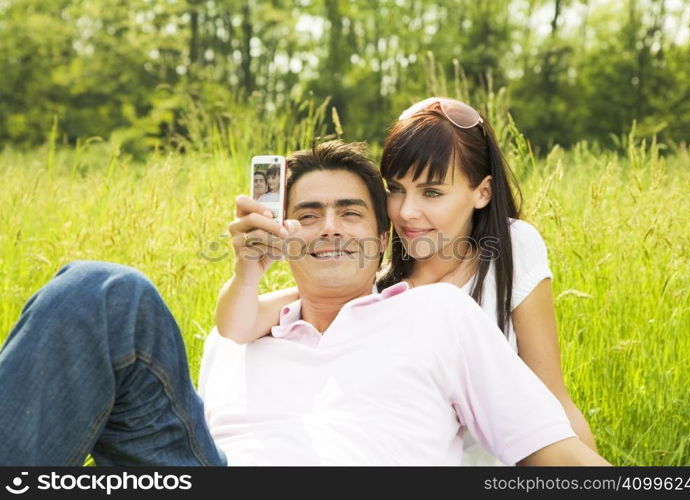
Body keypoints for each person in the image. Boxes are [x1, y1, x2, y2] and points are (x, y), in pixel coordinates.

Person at [0, 140, 609, 466]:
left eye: (350, 213)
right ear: (280, 231)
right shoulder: (235, 333)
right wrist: (248, 275)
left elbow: (549, 450)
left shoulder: (438, 316)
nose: (330, 228)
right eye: (307, 216)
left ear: (384, 238)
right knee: (101, 291)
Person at [218, 98, 597, 465]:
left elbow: (553, 398)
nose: (407, 211)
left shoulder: (509, 248)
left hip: (509, 450)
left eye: (432, 192)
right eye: (396, 189)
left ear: (482, 192)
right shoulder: (384, 287)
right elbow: (275, 312)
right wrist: (250, 275)